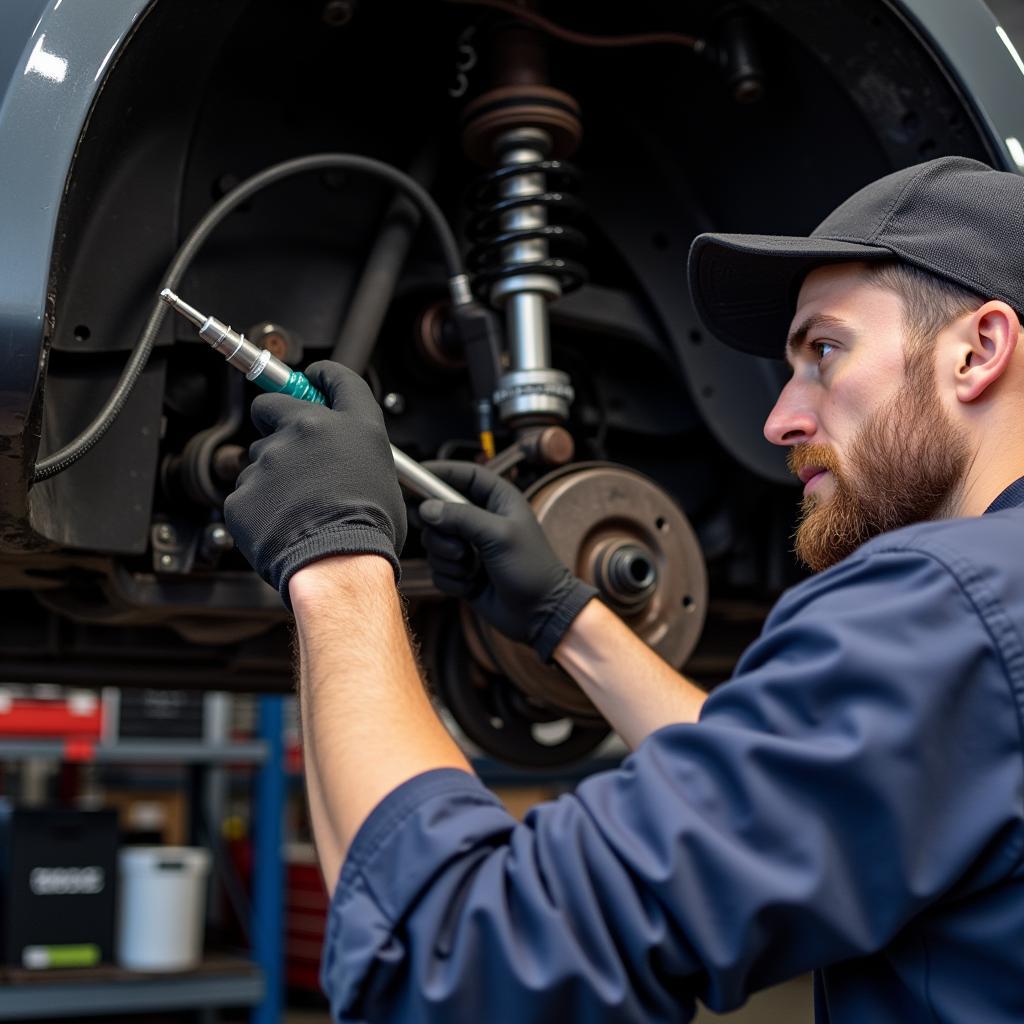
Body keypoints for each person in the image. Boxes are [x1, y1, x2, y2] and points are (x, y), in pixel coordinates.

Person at [224, 156, 1024, 1023]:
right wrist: (564, 617)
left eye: (824, 350)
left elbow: (455, 964)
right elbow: (787, 797)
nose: (780, 419)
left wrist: (334, 555)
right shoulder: (988, 619)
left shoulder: (954, 605)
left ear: (978, 350)